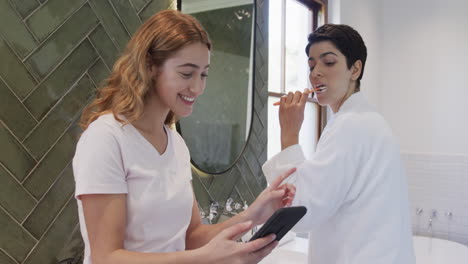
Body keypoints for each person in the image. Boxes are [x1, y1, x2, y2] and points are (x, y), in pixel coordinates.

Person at [73, 10, 296, 264]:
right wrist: (204, 259)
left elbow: (192, 237)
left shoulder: (176, 144)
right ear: (150, 67)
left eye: (203, 74)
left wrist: (254, 215)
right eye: (186, 73)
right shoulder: (106, 138)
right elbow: (107, 257)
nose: (198, 88)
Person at [262, 24, 415, 264]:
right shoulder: (370, 120)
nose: (316, 73)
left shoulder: (350, 125)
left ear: (355, 69)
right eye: (312, 65)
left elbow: (300, 212)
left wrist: (289, 133)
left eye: (328, 62)